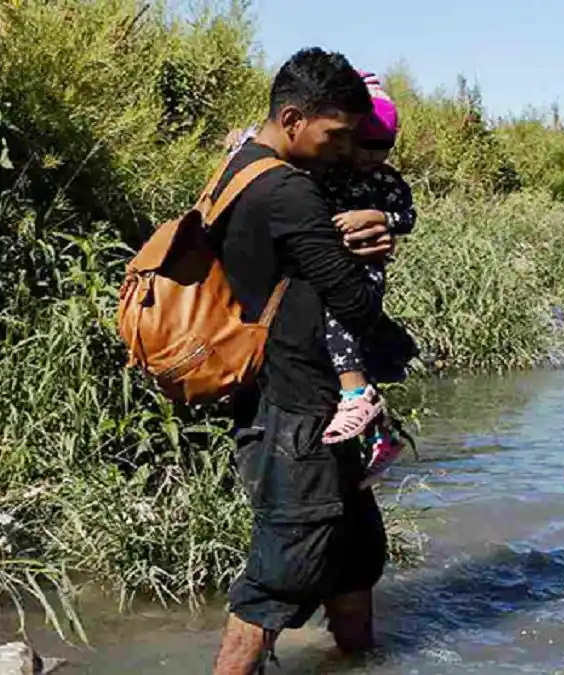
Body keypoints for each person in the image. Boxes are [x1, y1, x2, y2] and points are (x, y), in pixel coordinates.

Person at [208, 48, 398, 674]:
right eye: (336, 135)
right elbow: (345, 294)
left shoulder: (240, 165)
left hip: (303, 405)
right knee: (281, 574)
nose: (346, 149)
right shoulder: (285, 189)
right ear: (293, 120)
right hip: (295, 412)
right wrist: (378, 250)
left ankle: (359, 663)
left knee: (355, 554)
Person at [223, 73, 418, 491]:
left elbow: (405, 216)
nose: (364, 155)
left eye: (381, 148)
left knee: (342, 323)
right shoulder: (302, 177)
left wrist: (380, 221)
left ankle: (360, 401)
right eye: (351, 141)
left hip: (343, 293)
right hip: (285, 382)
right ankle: (370, 414)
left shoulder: (376, 181)